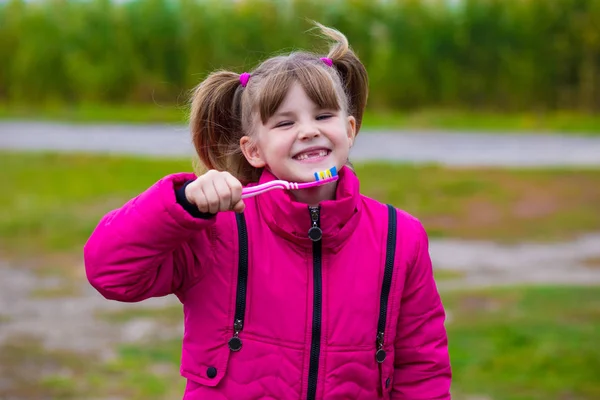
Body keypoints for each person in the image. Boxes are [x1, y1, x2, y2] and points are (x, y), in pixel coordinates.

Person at [84, 22, 451, 400]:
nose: (308, 131)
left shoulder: (399, 237)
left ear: (350, 129)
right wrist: (182, 203)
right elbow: (109, 272)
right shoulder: (217, 230)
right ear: (253, 150)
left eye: (323, 116)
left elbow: (423, 369)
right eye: (285, 122)